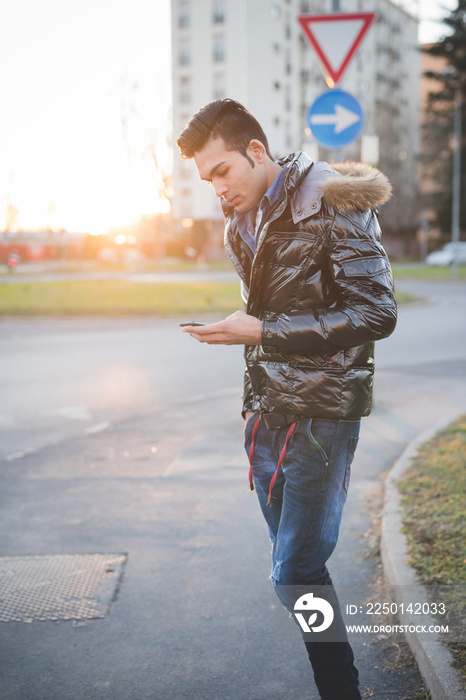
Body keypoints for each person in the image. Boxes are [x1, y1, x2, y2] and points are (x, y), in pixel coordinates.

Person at [177, 98, 396, 700]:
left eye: (222, 172)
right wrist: (242, 334)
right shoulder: (239, 224)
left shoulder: (333, 200)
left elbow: (376, 312)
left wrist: (262, 331)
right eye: (206, 181)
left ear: (255, 151)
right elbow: (275, 311)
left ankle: (342, 691)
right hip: (267, 414)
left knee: (294, 571)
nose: (217, 190)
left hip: (322, 417)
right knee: (300, 570)